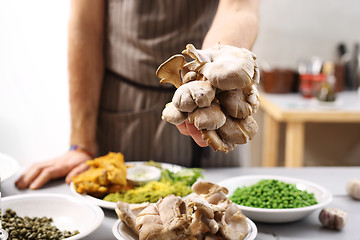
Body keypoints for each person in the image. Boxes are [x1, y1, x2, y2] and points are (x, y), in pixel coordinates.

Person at [16, 0, 259, 190]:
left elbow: (239, 8)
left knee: (219, 214)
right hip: (125, 108)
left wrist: (212, 77)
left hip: (215, 103)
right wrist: (81, 145)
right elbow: (86, 26)